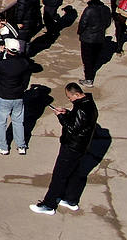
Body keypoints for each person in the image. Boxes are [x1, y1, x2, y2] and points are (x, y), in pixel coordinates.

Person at [31, 83, 99, 215]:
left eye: (69, 97)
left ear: (77, 94)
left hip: (71, 147)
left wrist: (60, 116)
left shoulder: (82, 109)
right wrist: (67, 113)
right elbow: (79, 123)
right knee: (74, 173)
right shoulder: (88, 103)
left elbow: (72, 129)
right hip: (81, 147)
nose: (69, 99)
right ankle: (70, 200)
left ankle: (48, 205)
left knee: (59, 176)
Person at [0, 37, 30, 155]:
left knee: (1, 122)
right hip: (18, 96)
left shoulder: (2, 65)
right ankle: (21, 146)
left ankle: (3, 147)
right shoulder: (24, 63)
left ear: (7, 49)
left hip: (3, 96)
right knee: (18, 121)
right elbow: (26, 79)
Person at [76, 0, 111, 87]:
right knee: (95, 57)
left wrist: (80, 32)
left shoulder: (89, 10)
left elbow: (83, 23)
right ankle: (91, 73)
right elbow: (108, 22)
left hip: (88, 39)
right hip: (100, 37)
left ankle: (89, 79)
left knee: (87, 59)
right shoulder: (106, 9)